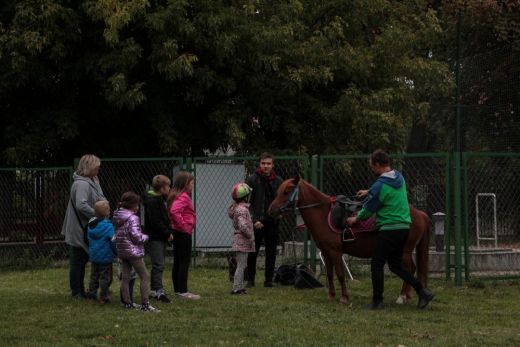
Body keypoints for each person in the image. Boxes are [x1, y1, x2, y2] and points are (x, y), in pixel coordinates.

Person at [346, 149, 434, 310]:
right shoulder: (398, 176)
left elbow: (369, 209)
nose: (372, 169)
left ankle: (377, 301)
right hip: (403, 228)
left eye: (372, 166)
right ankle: (423, 292)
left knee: (376, 264)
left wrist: (355, 218)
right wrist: (369, 191)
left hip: (388, 229)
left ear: (378, 164)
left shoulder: (380, 185)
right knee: (396, 265)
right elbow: (385, 191)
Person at [61, 154, 106, 299]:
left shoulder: (92, 180)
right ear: (89, 167)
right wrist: (97, 215)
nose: (98, 170)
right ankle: (76, 292)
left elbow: (100, 197)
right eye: (96, 167)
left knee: (81, 260)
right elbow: (81, 205)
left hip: (85, 227)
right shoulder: (82, 184)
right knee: (77, 260)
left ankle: (80, 290)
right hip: (79, 228)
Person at [113, 191, 159, 312]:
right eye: (137, 205)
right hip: (133, 252)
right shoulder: (133, 218)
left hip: (122, 251)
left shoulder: (117, 215)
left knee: (125, 277)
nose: (138, 207)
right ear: (133, 205)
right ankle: (145, 304)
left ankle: (127, 303)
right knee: (144, 276)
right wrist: (146, 237)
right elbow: (136, 237)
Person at [246, 152, 283, 288]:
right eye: (263, 163)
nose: (265, 166)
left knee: (271, 252)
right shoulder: (251, 180)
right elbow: (246, 203)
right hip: (256, 222)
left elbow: (281, 203)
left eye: (268, 164)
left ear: (272, 165)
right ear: (259, 164)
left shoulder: (278, 181)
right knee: (252, 252)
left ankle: (268, 280)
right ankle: (250, 280)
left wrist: (275, 215)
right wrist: (254, 220)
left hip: (272, 222)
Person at [168, 172, 199, 300]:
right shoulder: (184, 196)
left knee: (178, 261)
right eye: (192, 183)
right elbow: (174, 211)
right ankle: (183, 291)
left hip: (177, 232)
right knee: (184, 262)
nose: (193, 186)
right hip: (183, 233)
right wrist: (184, 225)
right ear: (186, 184)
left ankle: (178, 290)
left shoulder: (176, 195)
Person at [143, 175, 174, 303]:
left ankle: (155, 289)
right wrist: (167, 233)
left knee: (159, 264)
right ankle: (157, 291)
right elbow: (156, 221)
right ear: (162, 188)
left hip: (160, 237)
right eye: (168, 186)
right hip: (155, 237)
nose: (170, 188)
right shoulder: (153, 201)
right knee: (158, 264)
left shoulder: (159, 199)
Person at [86, 200, 116, 303]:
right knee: (105, 277)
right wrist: (116, 252)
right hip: (105, 256)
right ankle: (104, 295)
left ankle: (92, 294)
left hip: (94, 255)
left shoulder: (91, 225)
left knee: (94, 276)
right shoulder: (108, 226)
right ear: (107, 212)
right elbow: (113, 240)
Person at [228, 183, 255, 295]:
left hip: (240, 241)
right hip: (242, 242)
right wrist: (250, 235)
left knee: (242, 265)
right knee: (241, 265)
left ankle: (239, 287)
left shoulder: (238, 209)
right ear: (245, 197)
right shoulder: (242, 210)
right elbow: (243, 226)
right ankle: (236, 288)